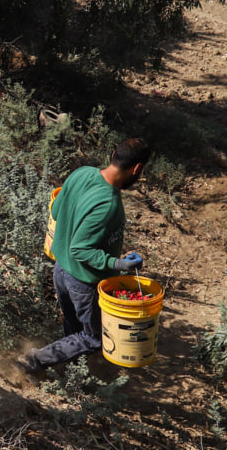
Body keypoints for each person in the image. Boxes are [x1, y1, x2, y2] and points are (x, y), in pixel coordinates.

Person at [18, 137, 153, 374]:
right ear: (137, 169)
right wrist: (120, 263)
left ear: (112, 154)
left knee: (74, 327)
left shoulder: (82, 173)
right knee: (94, 338)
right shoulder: (109, 205)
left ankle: (68, 372)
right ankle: (34, 361)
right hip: (82, 280)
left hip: (60, 269)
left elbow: (57, 209)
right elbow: (80, 249)